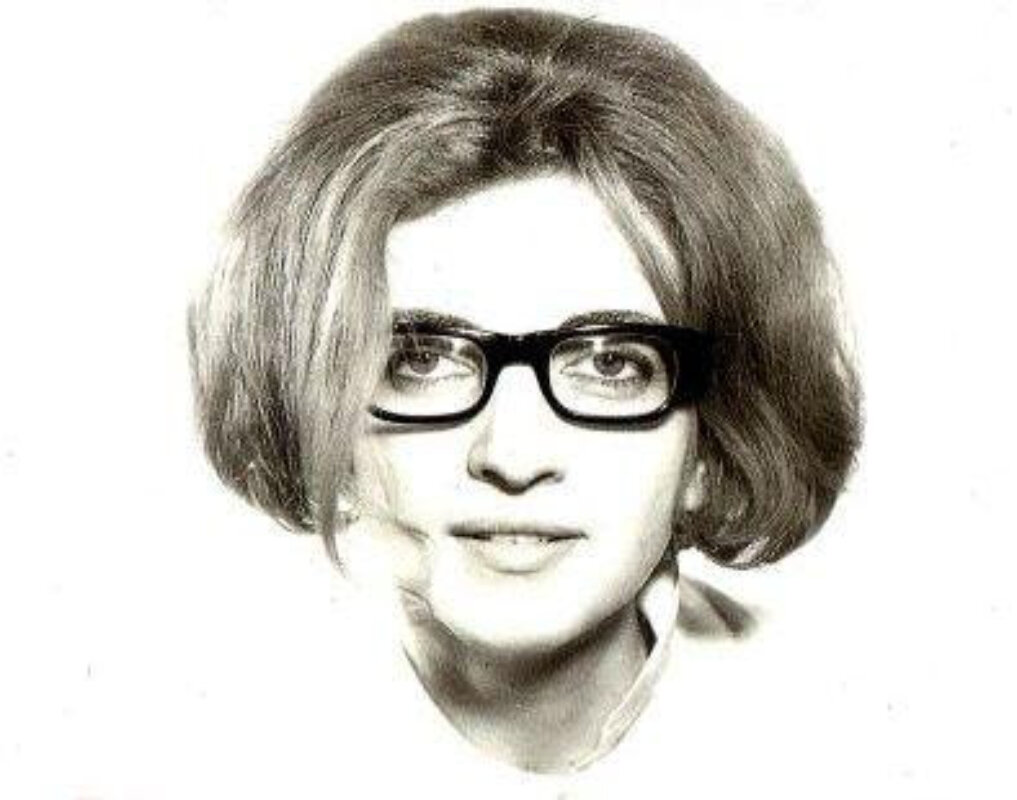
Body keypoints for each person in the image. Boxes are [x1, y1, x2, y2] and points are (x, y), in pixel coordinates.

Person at [187, 7, 861, 781]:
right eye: (422, 360)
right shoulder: (204, 753)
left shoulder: (850, 745)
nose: (511, 456)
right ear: (327, 420)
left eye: (611, 364)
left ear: (711, 445)